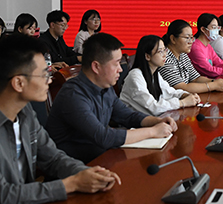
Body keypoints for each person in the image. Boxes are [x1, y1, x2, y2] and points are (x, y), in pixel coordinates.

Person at [0, 35, 120, 204]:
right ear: (18, 83)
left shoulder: (24, 112)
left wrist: (87, 174)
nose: (50, 80)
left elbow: (53, 158)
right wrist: (72, 183)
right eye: (44, 74)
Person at [46, 33, 178, 164]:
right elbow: (103, 137)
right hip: (72, 166)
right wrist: (153, 131)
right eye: (116, 64)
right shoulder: (73, 94)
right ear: (96, 67)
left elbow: (127, 116)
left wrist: (156, 121)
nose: (120, 69)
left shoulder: (105, 87)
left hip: (99, 158)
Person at [120, 35, 200, 115]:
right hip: (133, 122)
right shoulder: (135, 76)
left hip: (149, 119)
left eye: (164, 50)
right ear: (147, 56)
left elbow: (169, 92)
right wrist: (183, 103)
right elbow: (153, 108)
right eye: (160, 51)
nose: (165, 55)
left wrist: (185, 95)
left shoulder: (155, 73)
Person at [158, 19, 223, 94]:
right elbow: (182, 87)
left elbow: (195, 78)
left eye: (191, 38)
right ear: (173, 39)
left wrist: (214, 81)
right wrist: (213, 85)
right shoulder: (165, 58)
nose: (191, 42)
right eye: (187, 38)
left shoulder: (182, 55)